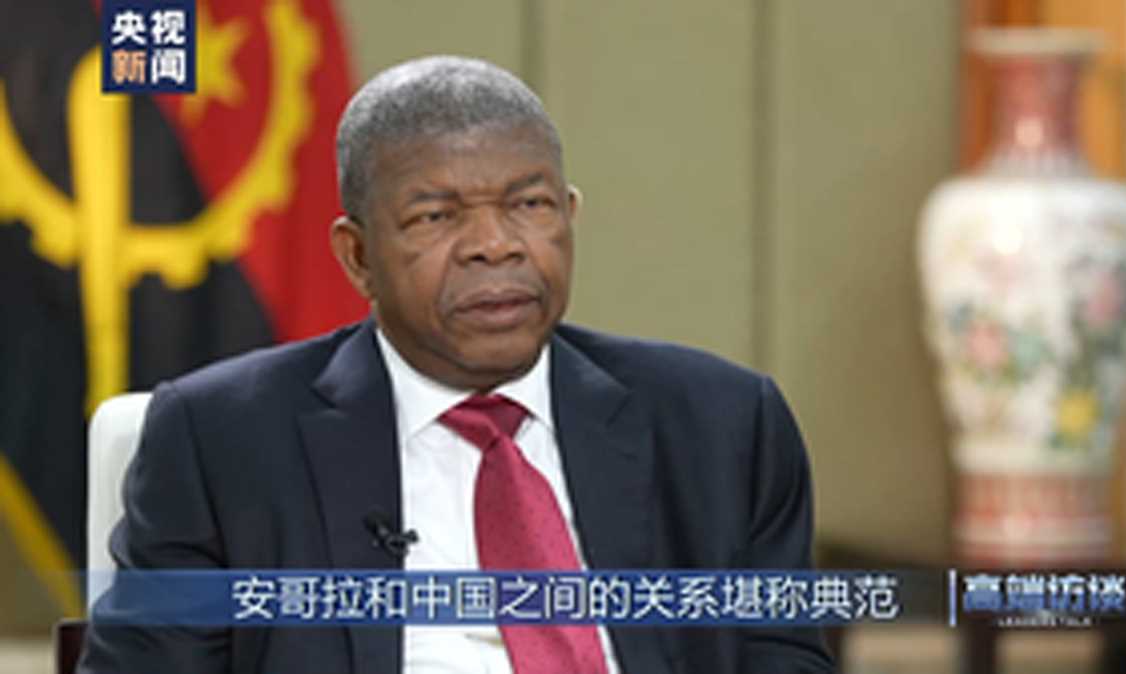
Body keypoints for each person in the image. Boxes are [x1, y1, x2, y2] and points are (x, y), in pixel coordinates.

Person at [78, 55, 835, 674]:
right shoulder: (221, 441)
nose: (495, 245)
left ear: (570, 216)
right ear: (358, 255)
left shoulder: (723, 425)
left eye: (529, 206)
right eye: (436, 216)